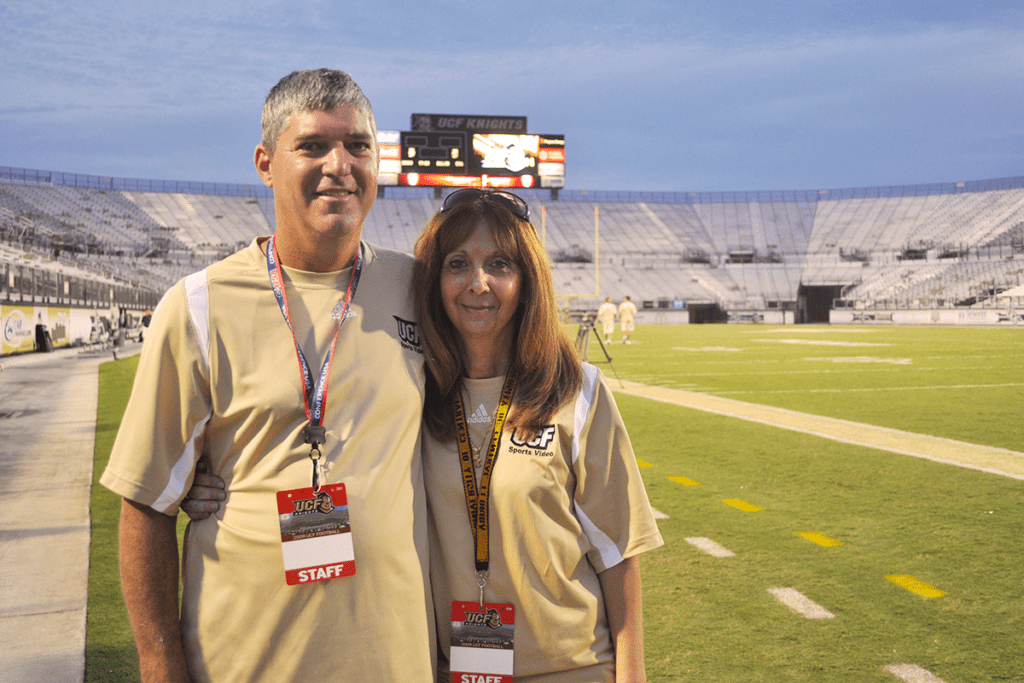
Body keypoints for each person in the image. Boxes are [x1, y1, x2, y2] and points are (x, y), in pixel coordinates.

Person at [100, 69, 433, 683]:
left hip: (396, 664)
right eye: (312, 145)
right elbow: (146, 502)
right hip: (244, 664)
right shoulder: (198, 305)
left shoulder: (417, 291)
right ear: (265, 162)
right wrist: (158, 665)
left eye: (358, 145)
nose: (340, 163)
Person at [414, 189, 664, 682]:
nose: (477, 283)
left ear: (527, 281)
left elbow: (618, 559)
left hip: (573, 669)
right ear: (434, 278)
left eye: (500, 264)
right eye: (458, 263)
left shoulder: (576, 390)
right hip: (457, 672)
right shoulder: (413, 394)